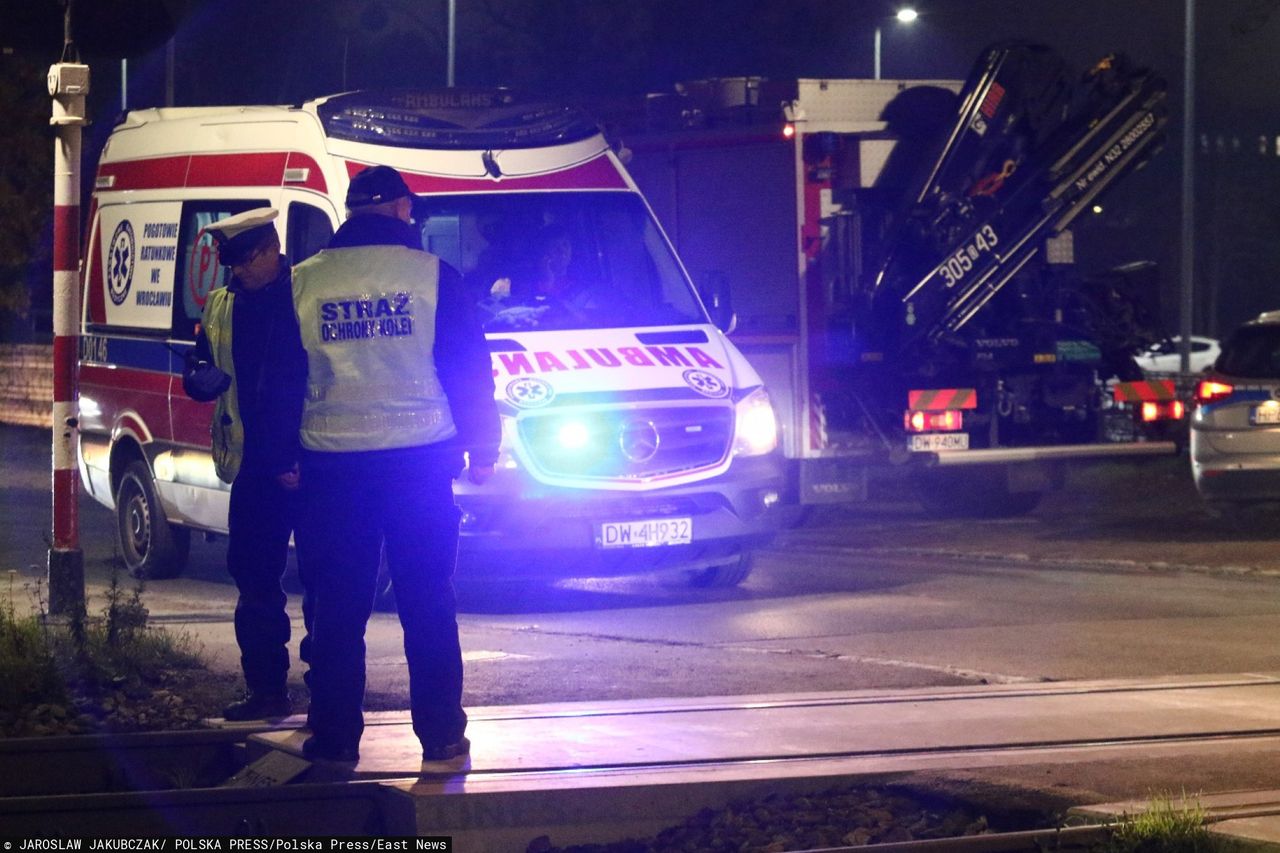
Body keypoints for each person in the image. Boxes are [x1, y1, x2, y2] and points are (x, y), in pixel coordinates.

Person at [288, 165, 500, 767]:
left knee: (336, 608)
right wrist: (483, 444)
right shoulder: (435, 276)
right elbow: (467, 368)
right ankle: (439, 736)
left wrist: (285, 457)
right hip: (419, 466)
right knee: (428, 601)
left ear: (351, 213)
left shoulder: (302, 282)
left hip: (332, 469)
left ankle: (332, 738)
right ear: (404, 210)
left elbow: (284, 381)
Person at [182, 208, 310, 722]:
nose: (235, 272)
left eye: (244, 261)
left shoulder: (305, 295)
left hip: (307, 465)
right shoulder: (221, 303)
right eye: (230, 263)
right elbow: (198, 363)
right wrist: (198, 379)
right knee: (255, 583)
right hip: (254, 469)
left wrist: (292, 456)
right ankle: (266, 692)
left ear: (271, 250)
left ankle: (330, 691)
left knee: (323, 585)